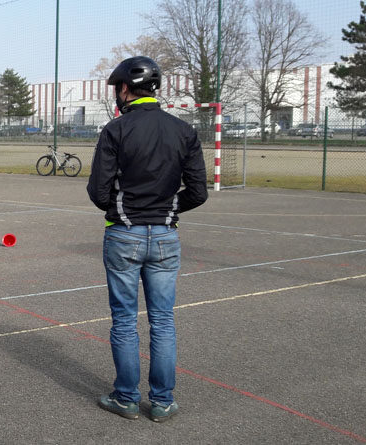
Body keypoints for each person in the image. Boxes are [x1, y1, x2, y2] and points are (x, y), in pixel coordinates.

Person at [86, 56, 208, 422]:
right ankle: (162, 400)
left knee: (124, 320)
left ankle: (126, 398)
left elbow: (98, 191)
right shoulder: (184, 131)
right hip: (166, 236)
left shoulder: (115, 130)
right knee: (163, 320)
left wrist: (126, 210)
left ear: (125, 88)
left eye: (116, 89)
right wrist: (167, 209)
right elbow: (198, 192)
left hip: (124, 234)